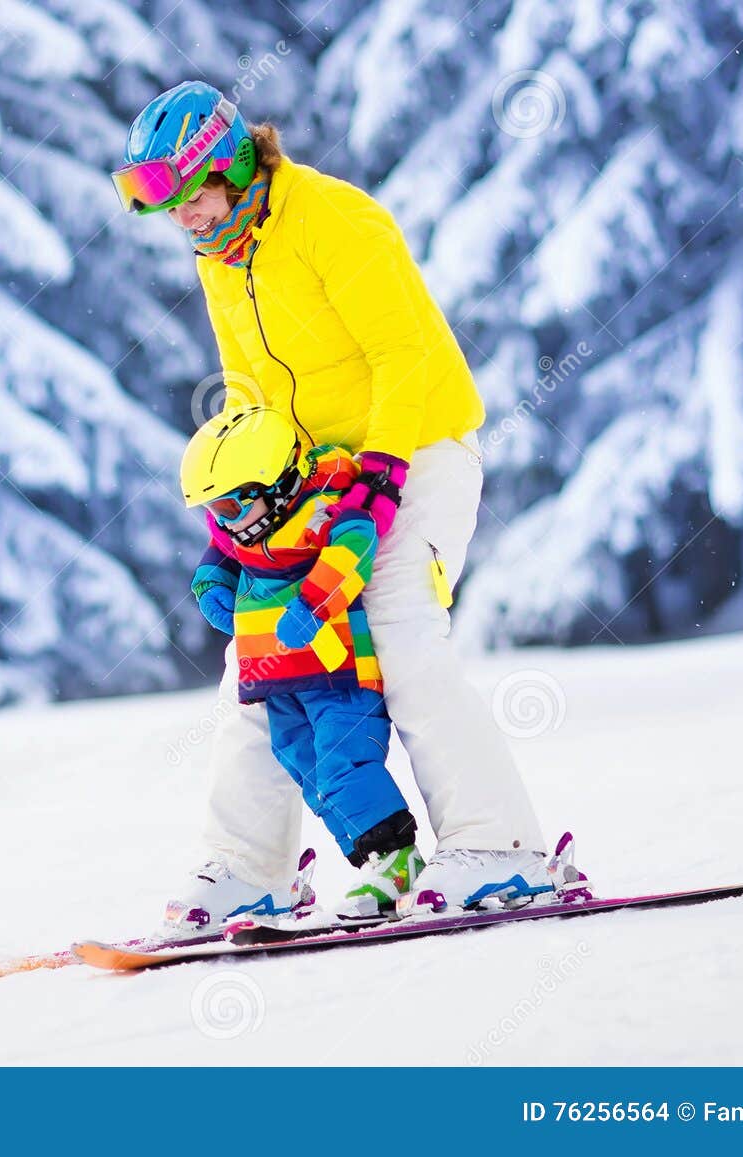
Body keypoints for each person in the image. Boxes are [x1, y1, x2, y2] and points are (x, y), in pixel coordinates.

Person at [111, 80, 555, 924]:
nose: (182, 218)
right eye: (158, 203)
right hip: (313, 483)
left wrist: (384, 471)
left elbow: (402, 354)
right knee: (260, 656)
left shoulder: (333, 219)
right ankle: (250, 868)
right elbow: (250, 394)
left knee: (400, 631)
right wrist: (243, 514)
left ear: (233, 166)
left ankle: (502, 849)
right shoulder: (221, 259)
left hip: (418, 451)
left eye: (186, 192)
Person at [175, 405, 427, 926]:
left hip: (336, 676)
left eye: (225, 506)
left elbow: (355, 546)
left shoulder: (324, 508)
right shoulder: (244, 532)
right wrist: (210, 584)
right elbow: (219, 554)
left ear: (268, 485)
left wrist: (314, 603)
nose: (220, 522)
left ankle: (398, 859)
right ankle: (367, 862)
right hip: (278, 681)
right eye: (211, 511)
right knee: (308, 772)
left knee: (343, 766)